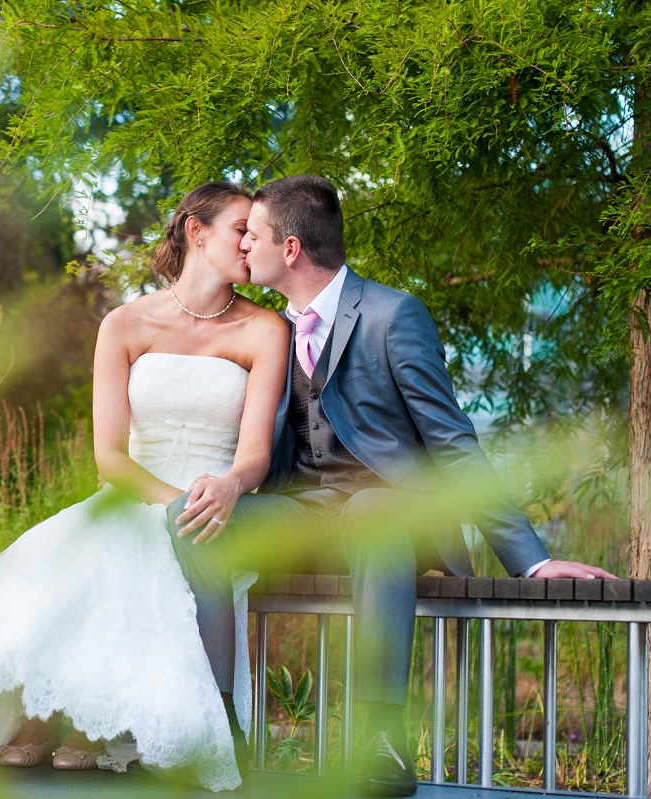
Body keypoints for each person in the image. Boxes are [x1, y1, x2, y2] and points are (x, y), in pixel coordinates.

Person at [164, 174, 615, 797]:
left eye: (255, 236)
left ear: (290, 249)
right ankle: (221, 721)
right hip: (302, 512)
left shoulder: (392, 315)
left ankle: (381, 738)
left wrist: (531, 560)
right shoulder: (269, 329)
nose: (245, 248)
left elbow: (454, 444)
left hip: (388, 517)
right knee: (193, 517)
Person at [0, 181, 289, 791]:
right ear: (196, 230)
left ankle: (91, 719)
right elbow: (109, 455)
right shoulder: (124, 323)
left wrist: (227, 490)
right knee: (77, 549)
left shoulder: (265, 329)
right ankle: (46, 707)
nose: (251, 242)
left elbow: (255, 455)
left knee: (147, 549)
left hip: (217, 502)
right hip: (138, 492)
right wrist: (175, 503)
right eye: (240, 228)